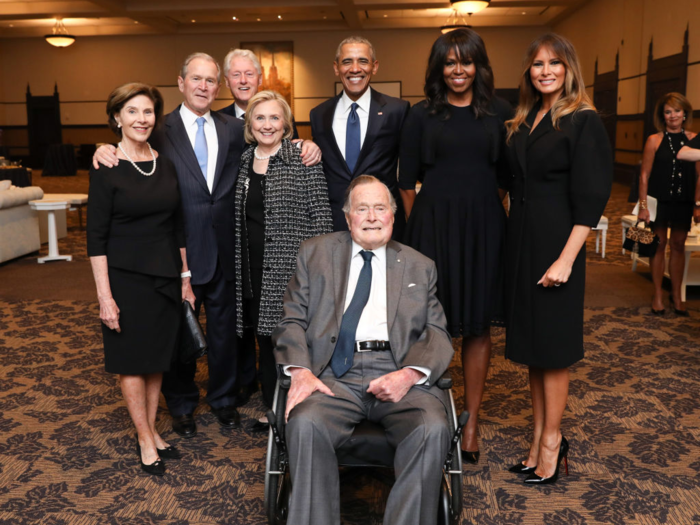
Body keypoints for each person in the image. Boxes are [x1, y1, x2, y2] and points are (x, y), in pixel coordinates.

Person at [272, 175, 454, 525]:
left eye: (380, 208)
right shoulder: (315, 253)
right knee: (305, 423)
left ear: (393, 215)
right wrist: (300, 371)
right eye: (362, 209)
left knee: (432, 427)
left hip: (397, 368)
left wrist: (411, 373)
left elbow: (437, 332)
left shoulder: (419, 264)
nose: (371, 216)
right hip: (331, 373)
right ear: (348, 217)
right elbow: (291, 320)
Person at [93, 53, 247, 438]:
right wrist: (102, 148)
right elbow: (127, 144)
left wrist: (304, 145)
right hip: (175, 249)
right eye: (195, 79)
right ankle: (181, 406)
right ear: (181, 83)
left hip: (224, 246)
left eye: (211, 80)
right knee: (178, 334)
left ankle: (224, 399)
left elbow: (268, 145)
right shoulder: (159, 127)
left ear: (218, 86)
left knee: (224, 331)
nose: (203, 86)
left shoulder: (232, 128)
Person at [398, 28, 511, 464]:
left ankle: (472, 420)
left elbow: (505, 179)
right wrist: (422, 229)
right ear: (438, 67)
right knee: (430, 324)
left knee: (478, 326)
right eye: (449, 62)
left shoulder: (500, 111)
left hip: (484, 227)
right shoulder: (422, 113)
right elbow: (406, 181)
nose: (458, 70)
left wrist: (481, 212)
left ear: (479, 66)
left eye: (466, 62)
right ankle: (429, 415)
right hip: (431, 228)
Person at [503, 33, 612, 484]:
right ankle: (536, 440)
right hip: (523, 243)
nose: (545, 70)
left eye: (554, 63)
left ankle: (553, 442)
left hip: (557, 245)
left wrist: (567, 259)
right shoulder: (525, 118)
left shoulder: (583, 121)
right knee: (533, 350)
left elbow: (591, 199)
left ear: (569, 69)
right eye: (537, 64)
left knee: (554, 351)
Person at [87, 82, 190, 476]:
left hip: (164, 274)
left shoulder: (163, 163)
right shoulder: (107, 165)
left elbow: (176, 226)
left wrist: (184, 277)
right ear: (117, 117)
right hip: (125, 278)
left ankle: (153, 431)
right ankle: (145, 437)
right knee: (132, 360)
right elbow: (95, 237)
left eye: (147, 112)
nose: (141, 119)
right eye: (132, 111)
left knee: (156, 359)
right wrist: (104, 297)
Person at [234, 90, 332, 423]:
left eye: (274, 117)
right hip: (252, 266)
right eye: (259, 117)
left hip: (292, 269)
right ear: (250, 123)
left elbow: (321, 218)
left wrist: (319, 273)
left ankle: (299, 406)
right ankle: (273, 407)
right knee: (263, 338)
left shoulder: (302, 157)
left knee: (290, 339)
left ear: (286, 123)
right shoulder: (245, 160)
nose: (267, 124)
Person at [309, 36, 410, 238]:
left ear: (375, 66)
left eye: (363, 61)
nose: (355, 69)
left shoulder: (397, 110)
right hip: (333, 222)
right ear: (336, 68)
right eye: (347, 62)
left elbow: (408, 170)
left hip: (381, 222)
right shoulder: (319, 114)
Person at [638, 93, 700, 316]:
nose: (673, 115)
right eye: (668, 111)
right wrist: (643, 206)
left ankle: (676, 295)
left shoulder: (695, 139)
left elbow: (699, 175)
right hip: (659, 201)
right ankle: (657, 294)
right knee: (658, 244)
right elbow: (644, 175)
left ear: (685, 114)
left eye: (677, 111)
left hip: (683, 202)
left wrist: (698, 204)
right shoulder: (654, 140)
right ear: (662, 116)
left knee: (678, 245)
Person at [219, 48, 322, 166]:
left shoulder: (282, 118)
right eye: (236, 75)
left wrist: (305, 144)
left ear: (260, 79)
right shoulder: (218, 120)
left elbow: (293, 151)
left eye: (249, 74)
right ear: (227, 81)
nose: (243, 80)